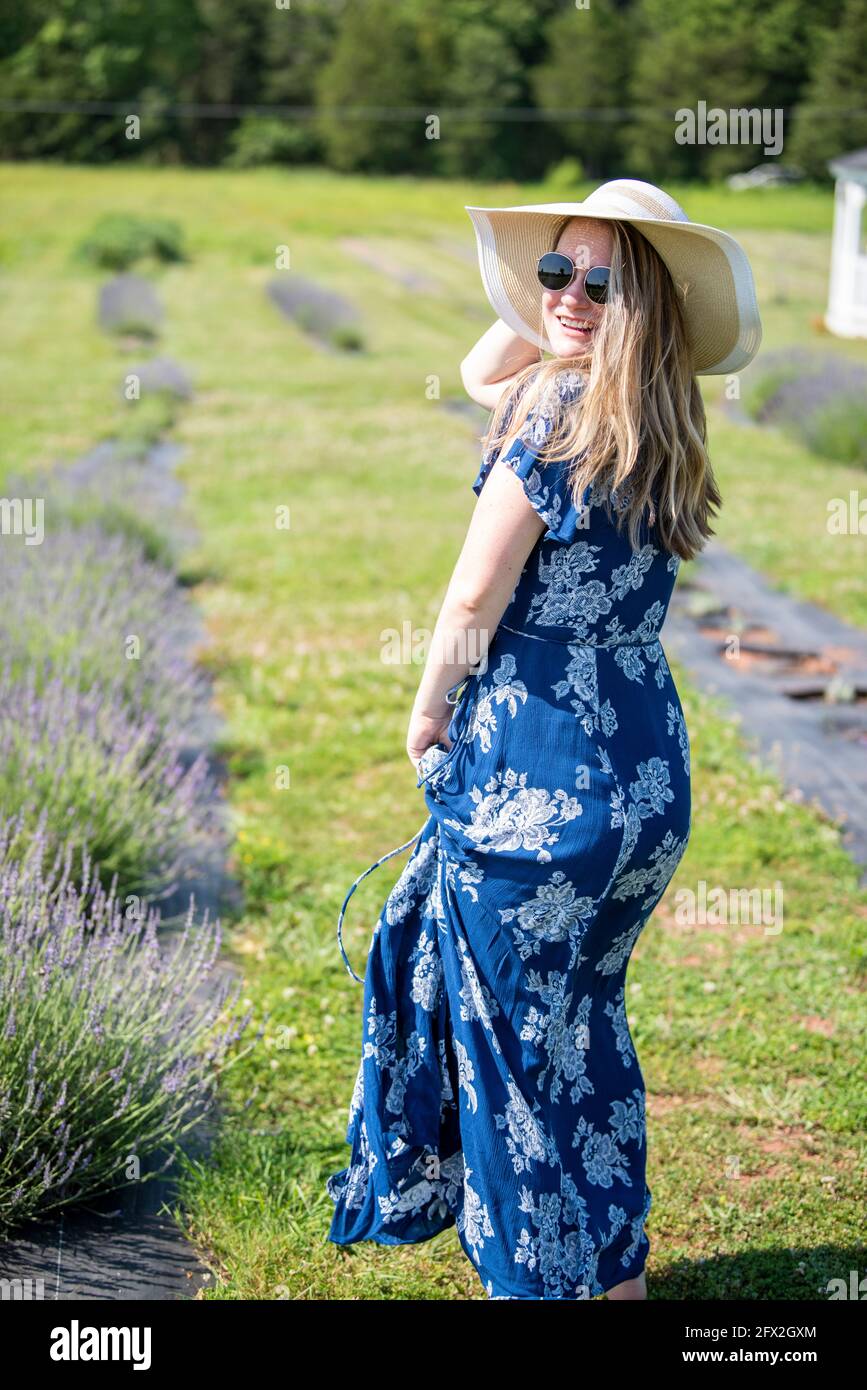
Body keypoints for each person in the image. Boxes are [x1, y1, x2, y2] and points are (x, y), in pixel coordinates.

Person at [326, 178, 762, 1300]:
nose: (564, 298)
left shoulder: (553, 412)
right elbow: (485, 365)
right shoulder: (657, 410)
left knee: (513, 1055)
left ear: (645, 305)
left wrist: (426, 713)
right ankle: (616, 1276)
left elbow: (474, 601)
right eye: (553, 272)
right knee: (582, 1026)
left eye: (599, 281)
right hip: (645, 785)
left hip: (540, 782)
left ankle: (540, 1285)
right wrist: (565, 291)